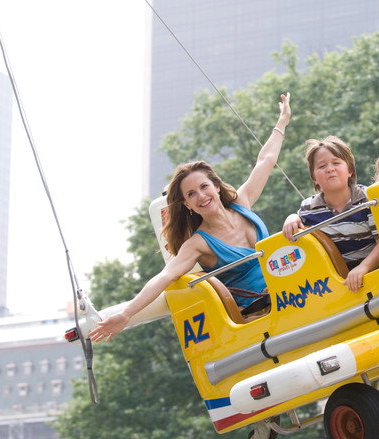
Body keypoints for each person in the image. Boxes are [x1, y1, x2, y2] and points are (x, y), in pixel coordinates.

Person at [89, 93, 292, 342]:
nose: (201, 196)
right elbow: (165, 277)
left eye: (204, 187)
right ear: (187, 204)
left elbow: (266, 160)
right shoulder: (199, 243)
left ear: (216, 185)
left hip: (293, 290)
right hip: (259, 313)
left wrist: (282, 122)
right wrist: (126, 315)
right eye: (191, 194)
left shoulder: (242, 203)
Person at [282, 136, 379, 292]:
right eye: (322, 166)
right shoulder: (308, 208)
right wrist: (292, 218)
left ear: (350, 170)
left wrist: (364, 267)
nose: (330, 169)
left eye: (336, 163)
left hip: (376, 274)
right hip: (335, 286)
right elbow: (298, 223)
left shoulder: (367, 198)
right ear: (314, 178)